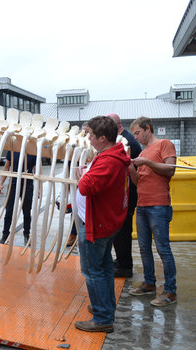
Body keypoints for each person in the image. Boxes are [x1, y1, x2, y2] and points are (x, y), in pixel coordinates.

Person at [74, 116, 130, 333]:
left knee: (92, 271)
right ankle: (105, 307)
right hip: (105, 223)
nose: (88, 139)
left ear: (103, 138)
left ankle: (103, 318)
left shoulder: (108, 161)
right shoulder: (112, 155)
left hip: (97, 225)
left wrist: (83, 175)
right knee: (104, 267)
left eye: (91, 135)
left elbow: (85, 187)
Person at [128, 116, 178, 307]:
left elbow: (170, 169)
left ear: (148, 128)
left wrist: (146, 163)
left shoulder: (164, 144)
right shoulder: (144, 151)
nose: (136, 137)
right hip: (142, 205)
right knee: (143, 247)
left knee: (163, 248)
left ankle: (170, 291)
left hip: (158, 205)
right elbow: (138, 182)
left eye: (138, 133)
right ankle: (149, 283)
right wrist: (130, 168)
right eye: (134, 134)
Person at [107, 113, 142, 278]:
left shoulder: (127, 142)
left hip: (128, 193)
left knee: (123, 230)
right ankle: (121, 259)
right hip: (122, 193)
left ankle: (125, 265)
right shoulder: (121, 139)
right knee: (119, 230)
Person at [0, 151, 37, 246]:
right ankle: (5, 235)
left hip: (27, 185)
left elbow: (36, 171)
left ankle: (27, 235)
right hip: (13, 184)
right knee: (9, 211)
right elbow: (6, 167)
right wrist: (2, 183)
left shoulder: (32, 151)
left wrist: (39, 189)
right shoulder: (12, 150)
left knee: (27, 212)